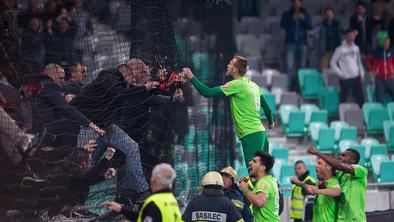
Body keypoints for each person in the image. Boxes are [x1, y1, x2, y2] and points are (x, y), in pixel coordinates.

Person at [182, 56, 273, 164]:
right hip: (261, 133)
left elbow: (207, 92)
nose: (227, 65)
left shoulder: (236, 84)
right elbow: (268, 109)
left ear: (235, 69)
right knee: (266, 174)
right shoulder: (254, 85)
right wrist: (271, 122)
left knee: (254, 174)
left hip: (250, 134)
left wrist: (191, 76)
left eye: (230, 64)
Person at [102, 163, 182, 222]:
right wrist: (121, 209)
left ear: (153, 180)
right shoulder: (172, 201)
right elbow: (143, 218)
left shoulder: (154, 203)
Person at [307, 146, 368, 222]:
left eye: (343, 155)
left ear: (353, 160)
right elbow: (328, 175)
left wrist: (317, 153)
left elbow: (339, 166)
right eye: (340, 155)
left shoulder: (360, 170)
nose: (339, 157)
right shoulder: (339, 175)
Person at [290, 157, 341, 222]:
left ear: (328, 167)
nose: (316, 166)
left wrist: (317, 190)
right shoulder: (319, 183)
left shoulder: (333, 182)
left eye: (319, 163)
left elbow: (337, 191)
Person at [280, 0, 312, 92]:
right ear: (292, 4)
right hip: (290, 43)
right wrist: (292, 19)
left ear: (301, 3)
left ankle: (301, 87)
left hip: (302, 43)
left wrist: (303, 19)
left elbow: (310, 26)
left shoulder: (305, 13)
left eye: (298, 2)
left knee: (301, 66)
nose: (297, 4)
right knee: (289, 66)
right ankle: (288, 87)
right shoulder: (287, 14)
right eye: (295, 2)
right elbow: (282, 25)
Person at [239, 151, 280, 222]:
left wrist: (245, 189)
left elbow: (260, 202)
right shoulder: (268, 180)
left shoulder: (264, 183)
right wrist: (248, 188)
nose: (250, 163)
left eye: (254, 161)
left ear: (262, 168)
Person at [330, 29, 365, 107]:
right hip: (346, 78)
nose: (352, 37)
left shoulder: (356, 48)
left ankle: (362, 115)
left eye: (353, 36)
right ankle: (341, 116)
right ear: (346, 36)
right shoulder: (339, 49)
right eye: (350, 35)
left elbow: (359, 62)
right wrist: (340, 74)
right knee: (344, 98)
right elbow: (332, 63)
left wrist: (362, 73)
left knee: (361, 98)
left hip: (356, 77)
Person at [364, 31, 394, 103]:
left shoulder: (391, 51)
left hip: (390, 79)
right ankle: (380, 112)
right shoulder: (374, 52)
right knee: (379, 100)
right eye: (385, 42)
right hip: (380, 80)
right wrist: (371, 69)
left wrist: (392, 69)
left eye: (388, 42)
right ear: (381, 42)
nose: (387, 44)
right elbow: (366, 61)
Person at [317, 7, 342, 72]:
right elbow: (315, 31)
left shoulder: (337, 24)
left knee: (336, 70)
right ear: (325, 15)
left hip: (335, 50)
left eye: (330, 14)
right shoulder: (322, 24)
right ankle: (323, 82)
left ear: (333, 15)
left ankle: (334, 82)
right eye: (327, 14)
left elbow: (343, 33)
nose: (329, 15)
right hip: (325, 51)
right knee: (322, 70)